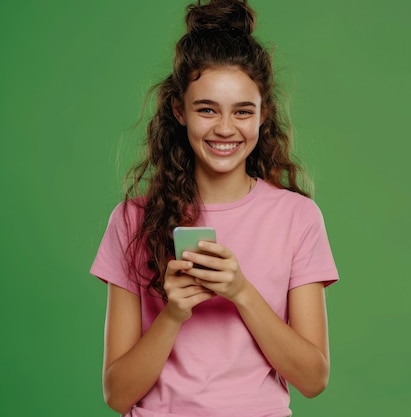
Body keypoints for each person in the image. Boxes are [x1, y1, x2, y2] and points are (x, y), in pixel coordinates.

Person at [89, 1, 339, 416]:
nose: (225, 128)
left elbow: (313, 379)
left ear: (263, 116)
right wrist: (173, 313)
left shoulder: (297, 218)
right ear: (178, 110)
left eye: (243, 111)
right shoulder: (132, 219)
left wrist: (241, 291)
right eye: (207, 109)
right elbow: (117, 395)